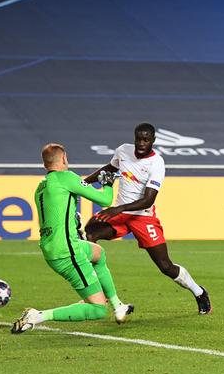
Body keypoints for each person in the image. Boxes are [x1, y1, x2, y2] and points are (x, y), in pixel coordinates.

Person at [83, 123, 212, 315]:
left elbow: (148, 200)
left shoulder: (156, 163)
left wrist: (118, 208)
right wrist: (83, 183)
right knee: (89, 234)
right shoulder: (123, 151)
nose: (141, 143)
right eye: (139, 139)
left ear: (153, 140)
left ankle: (199, 292)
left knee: (165, 266)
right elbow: (109, 168)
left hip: (143, 217)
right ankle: (99, 295)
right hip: (120, 215)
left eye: (146, 140)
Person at [11, 143, 133, 334]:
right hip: (67, 252)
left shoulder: (41, 186)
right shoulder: (66, 178)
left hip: (57, 246)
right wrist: (108, 183)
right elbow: (105, 200)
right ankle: (38, 316)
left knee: (98, 253)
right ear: (64, 159)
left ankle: (118, 305)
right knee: (98, 309)